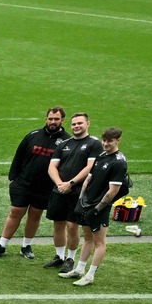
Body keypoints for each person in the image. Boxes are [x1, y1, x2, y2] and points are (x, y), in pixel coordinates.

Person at [0, 106, 64, 260]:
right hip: (23, 184)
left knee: (35, 215)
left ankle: (26, 246)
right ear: (46, 119)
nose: (53, 122)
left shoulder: (66, 141)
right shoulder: (33, 135)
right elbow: (19, 155)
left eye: (56, 119)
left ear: (63, 120)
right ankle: (1, 245)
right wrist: (13, 177)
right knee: (15, 212)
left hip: (45, 188)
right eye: (50, 118)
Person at [66, 127, 127, 286]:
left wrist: (97, 209)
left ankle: (90, 275)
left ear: (118, 140)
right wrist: (82, 200)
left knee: (99, 241)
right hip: (87, 203)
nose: (106, 144)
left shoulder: (119, 162)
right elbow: (88, 179)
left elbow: (112, 192)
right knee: (87, 238)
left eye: (110, 141)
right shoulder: (101, 155)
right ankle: (79, 269)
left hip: (99, 207)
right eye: (104, 140)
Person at [43, 111, 101, 275]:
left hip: (77, 192)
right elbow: (52, 166)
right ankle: (59, 256)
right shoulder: (64, 143)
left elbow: (90, 167)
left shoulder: (94, 144)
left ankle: (70, 258)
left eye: (80, 123)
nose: (76, 126)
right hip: (59, 190)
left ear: (87, 124)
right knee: (58, 225)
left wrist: (71, 183)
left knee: (72, 226)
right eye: (74, 124)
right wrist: (60, 183)